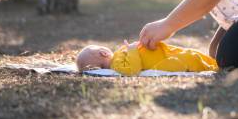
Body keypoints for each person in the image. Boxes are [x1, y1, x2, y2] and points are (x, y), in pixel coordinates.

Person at [75, 42, 218, 75]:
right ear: (103, 53)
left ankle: (213, 62)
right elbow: (133, 69)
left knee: (189, 53)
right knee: (189, 58)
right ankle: (213, 67)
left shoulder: (117, 58)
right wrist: (131, 50)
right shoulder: (116, 65)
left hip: (160, 53)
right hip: (162, 61)